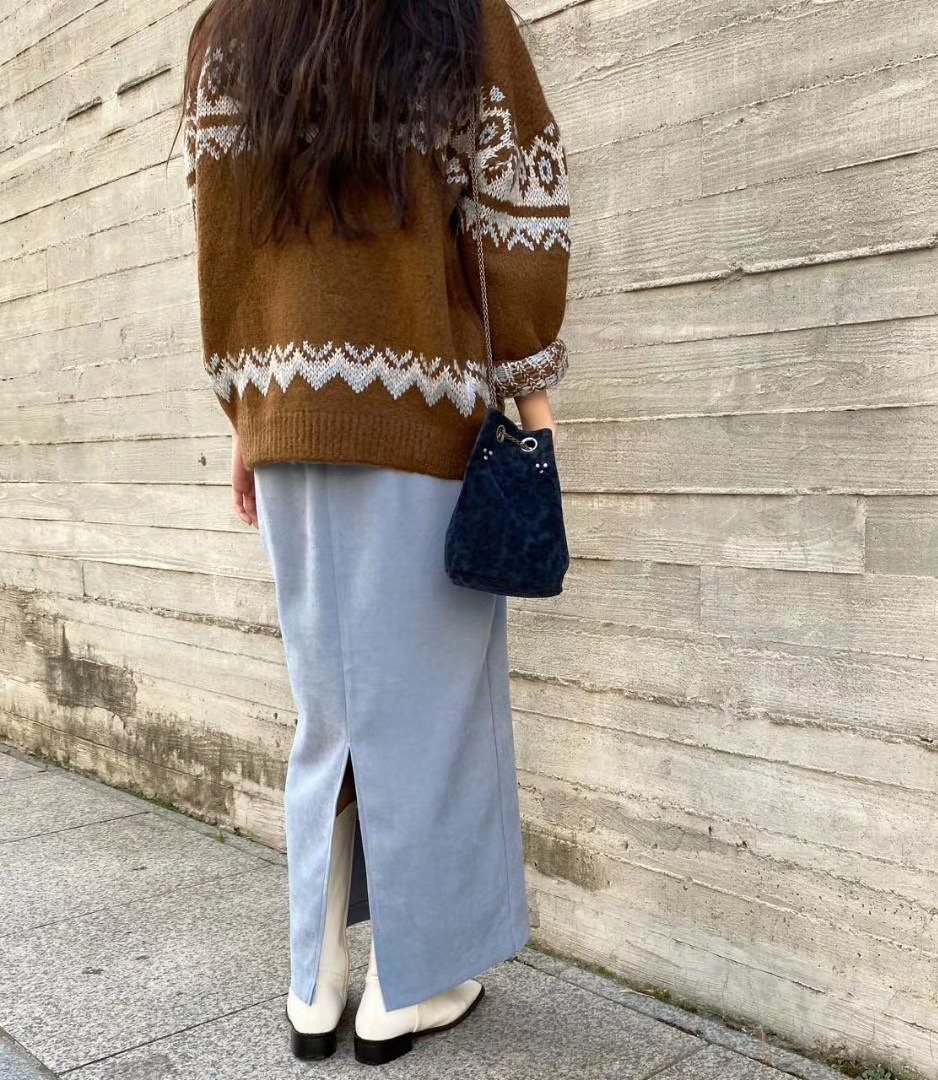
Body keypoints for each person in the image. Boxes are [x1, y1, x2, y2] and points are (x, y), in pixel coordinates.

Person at [175, 0, 571, 1066]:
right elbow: (514, 207)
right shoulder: (455, 13)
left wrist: (246, 416)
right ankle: (409, 984)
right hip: (422, 415)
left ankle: (314, 985)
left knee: (333, 710)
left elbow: (221, 240)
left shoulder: (232, 29)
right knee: (427, 711)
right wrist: (533, 404)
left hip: (287, 422)